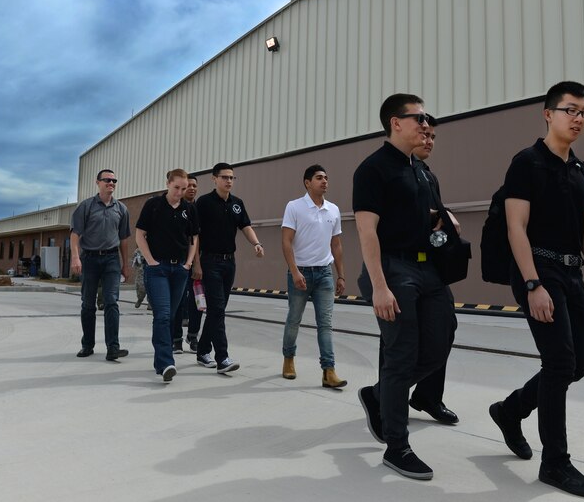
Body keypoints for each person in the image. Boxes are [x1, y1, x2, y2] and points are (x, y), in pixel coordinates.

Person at [489, 81, 584, 498]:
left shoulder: (581, 170)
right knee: (559, 363)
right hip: (538, 269)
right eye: (571, 110)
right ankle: (556, 464)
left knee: (574, 367)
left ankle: (509, 410)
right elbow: (516, 227)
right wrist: (532, 284)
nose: (579, 119)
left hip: (571, 272)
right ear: (548, 113)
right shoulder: (526, 163)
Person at [353, 93, 453, 481]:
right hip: (393, 270)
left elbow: (419, 214)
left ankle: (378, 395)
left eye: (429, 118)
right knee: (401, 355)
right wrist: (379, 285)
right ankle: (398, 446)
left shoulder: (422, 171)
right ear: (396, 122)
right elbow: (367, 231)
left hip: (428, 269)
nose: (428, 125)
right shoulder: (373, 169)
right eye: (420, 118)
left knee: (441, 342)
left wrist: (441, 220)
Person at [407, 119, 461, 425]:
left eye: (433, 137)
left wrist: (445, 216)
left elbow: (436, 210)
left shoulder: (428, 174)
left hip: (430, 264)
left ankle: (427, 395)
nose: (429, 141)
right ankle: (388, 397)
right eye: (424, 135)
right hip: (402, 264)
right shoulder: (393, 170)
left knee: (444, 329)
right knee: (399, 337)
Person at [280, 164, 348, 389]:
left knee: (325, 324)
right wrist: (295, 271)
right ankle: (288, 358)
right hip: (300, 273)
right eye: (319, 177)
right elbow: (286, 241)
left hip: (324, 274)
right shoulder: (294, 207)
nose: (325, 181)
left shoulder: (333, 210)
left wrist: (341, 276)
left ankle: (329, 371)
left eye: (326, 177)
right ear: (307, 182)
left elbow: (336, 244)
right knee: (294, 320)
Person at [194, 163, 264, 374]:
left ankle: (202, 350)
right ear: (214, 179)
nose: (229, 181)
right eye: (224, 177)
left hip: (229, 262)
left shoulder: (237, 203)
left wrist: (257, 243)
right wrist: (196, 263)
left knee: (218, 310)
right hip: (209, 262)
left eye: (232, 178)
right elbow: (194, 236)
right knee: (217, 310)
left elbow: (245, 226)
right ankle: (222, 357)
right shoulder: (204, 203)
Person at [135, 169, 198, 383]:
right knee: (162, 315)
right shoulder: (153, 205)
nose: (180, 192)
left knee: (170, 317)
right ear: (168, 184)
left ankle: (161, 360)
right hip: (157, 269)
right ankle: (165, 363)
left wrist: (188, 263)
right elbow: (139, 234)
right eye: (176, 188)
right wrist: (150, 260)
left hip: (179, 270)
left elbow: (193, 237)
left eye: (184, 188)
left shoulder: (189, 209)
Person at [71, 169, 132, 361]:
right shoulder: (86, 206)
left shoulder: (121, 209)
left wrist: (125, 264)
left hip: (112, 260)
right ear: (98, 182)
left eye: (114, 180)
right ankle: (87, 345)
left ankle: (113, 348)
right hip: (89, 259)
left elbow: (123, 239)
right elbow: (74, 234)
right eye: (107, 180)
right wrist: (75, 257)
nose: (111, 183)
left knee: (111, 301)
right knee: (88, 303)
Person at [172, 174, 202, 352]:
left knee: (198, 301)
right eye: (188, 185)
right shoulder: (176, 208)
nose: (191, 188)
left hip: (197, 263)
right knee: (179, 301)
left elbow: (196, 239)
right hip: (179, 263)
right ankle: (176, 339)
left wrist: (197, 263)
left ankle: (193, 337)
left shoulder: (199, 208)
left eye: (194, 186)